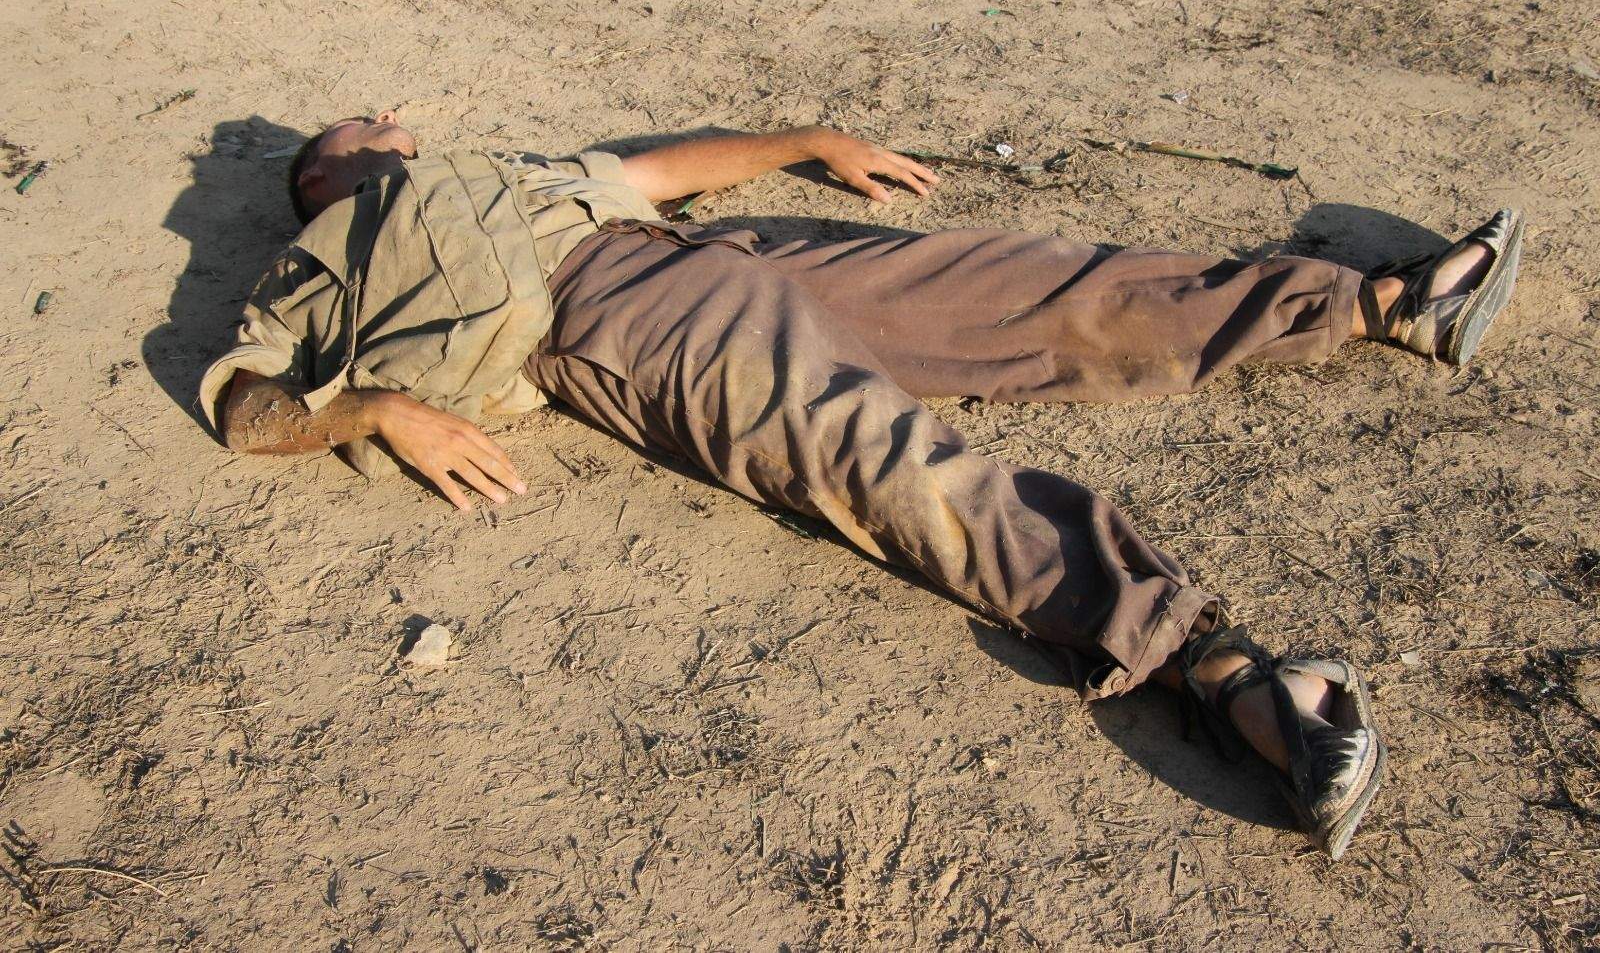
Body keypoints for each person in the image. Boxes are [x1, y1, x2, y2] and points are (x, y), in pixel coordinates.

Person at [202, 110, 1525, 860]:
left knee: (1026, 287)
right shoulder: (315, 265)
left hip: (714, 246)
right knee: (877, 457)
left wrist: (813, 139)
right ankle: (1221, 671)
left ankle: (1379, 304)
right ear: (322, 172)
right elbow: (241, 404)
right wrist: (374, 406)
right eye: (366, 124)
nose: (397, 117)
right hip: (605, 322)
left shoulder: (492, 168)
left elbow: (657, 170)